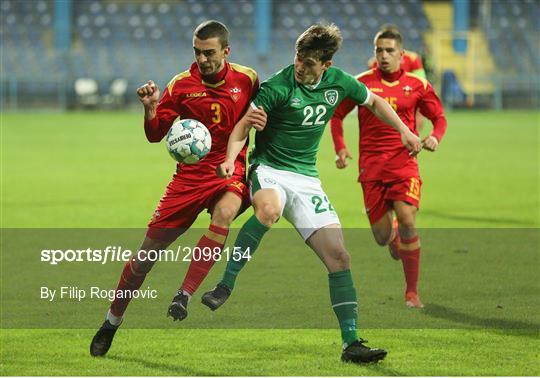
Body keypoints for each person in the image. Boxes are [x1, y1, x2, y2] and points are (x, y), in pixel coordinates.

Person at [201, 24, 422, 364]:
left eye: (308, 63)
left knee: (340, 258)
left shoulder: (339, 83)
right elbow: (244, 125)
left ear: (326, 65)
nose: (300, 67)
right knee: (269, 210)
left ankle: (351, 343)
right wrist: (231, 159)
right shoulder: (278, 85)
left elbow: (375, 102)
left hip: (306, 180)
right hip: (270, 170)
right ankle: (225, 284)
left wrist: (406, 131)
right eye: (298, 59)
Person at [90, 20, 264, 357]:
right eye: (197, 52)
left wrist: (263, 125)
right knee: (143, 259)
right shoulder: (181, 85)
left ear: (226, 51)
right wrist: (150, 108)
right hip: (187, 179)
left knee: (225, 214)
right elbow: (156, 134)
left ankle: (184, 293)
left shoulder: (248, 79)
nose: (202, 59)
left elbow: (267, 107)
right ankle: (111, 322)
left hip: (227, 169)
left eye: (209, 53)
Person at [330, 28, 448, 309]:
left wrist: (434, 137)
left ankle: (412, 293)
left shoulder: (417, 85)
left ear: (401, 55)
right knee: (383, 238)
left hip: (404, 163)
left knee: (408, 218)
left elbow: (439, 117)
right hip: (371, 169)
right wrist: (340, 147)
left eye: (389, 51)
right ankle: (393, 233)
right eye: (379, 50)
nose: (383, 56)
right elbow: (336, 114)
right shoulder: (361, 84)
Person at [367, 25, 427, 131]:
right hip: (383, 99)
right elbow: (372, 83)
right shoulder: (374, 62)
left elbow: (421, 82)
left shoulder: (413, 58)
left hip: (407, 99)